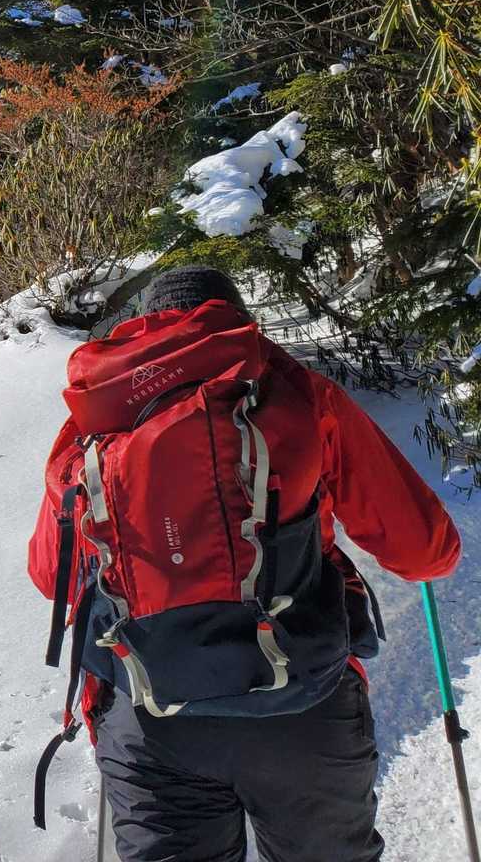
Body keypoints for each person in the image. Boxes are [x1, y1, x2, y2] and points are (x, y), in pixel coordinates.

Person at [28, 266, 461, 862]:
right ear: (236, 320)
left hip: (146, 717)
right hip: (301, 707)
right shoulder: (294, 391)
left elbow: (48, 575)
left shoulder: (96, 420)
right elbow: (424, 552)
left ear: (145, 326)